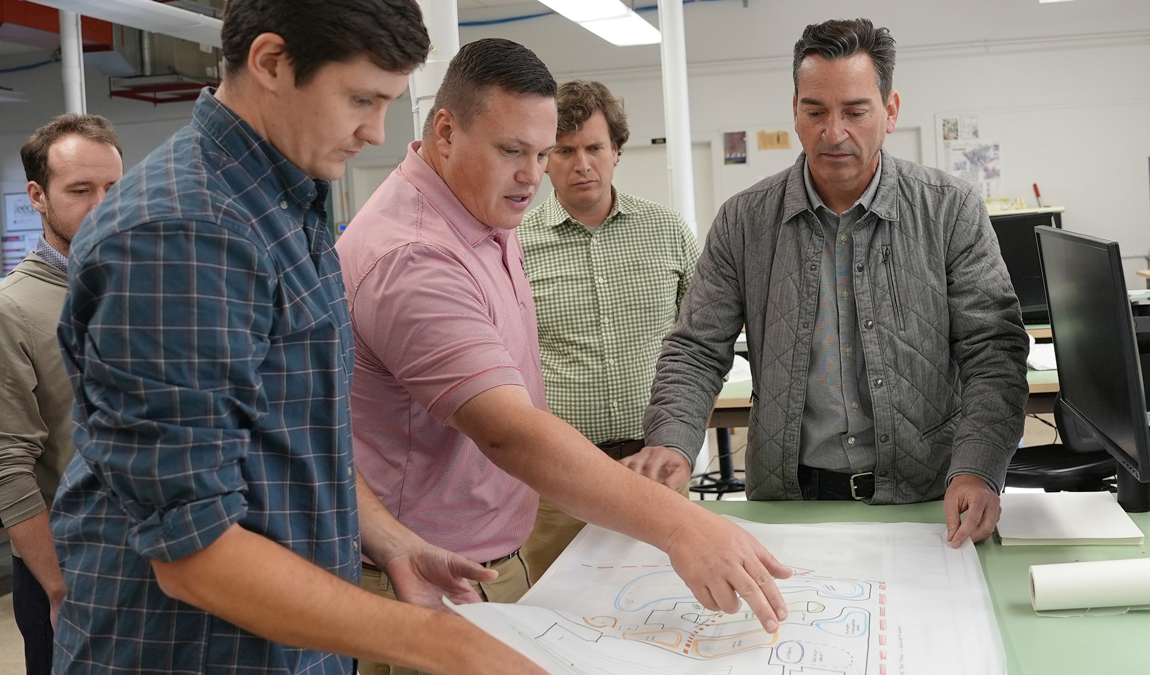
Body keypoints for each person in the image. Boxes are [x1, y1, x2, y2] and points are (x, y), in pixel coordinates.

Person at [48, 2, 545, 673]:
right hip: (191, 650)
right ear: (272, 63)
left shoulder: (286, 199)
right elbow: (193, 552)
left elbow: (297, 435)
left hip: (295, 642)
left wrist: (392, 541)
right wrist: (447, 643)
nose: (376, 132)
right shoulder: (182, 232)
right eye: (361, 100)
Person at [337, 38, 790, 675]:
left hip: (492, 550)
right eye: (512, 151)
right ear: (445, 131)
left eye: (540, 152)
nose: (533, 174)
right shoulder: (416, 256)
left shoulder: (485, 215)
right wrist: (683, 527)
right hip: (429, 580)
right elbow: (509, 434)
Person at [636, 18, 1028, 549]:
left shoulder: (948, 209)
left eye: (855, 111)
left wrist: (979, 467)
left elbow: (993, 351)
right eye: (815, 111)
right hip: (791, 501)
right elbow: (696, 350)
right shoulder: (744, 221)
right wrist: (673, 442)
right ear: (794, 111)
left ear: (890, 112)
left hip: (926, 500)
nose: (833, 131)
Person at [516, 80, 700, 579]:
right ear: (544, 159)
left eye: (595, 148)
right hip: (560, 478)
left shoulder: (667, 231)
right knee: (559, 615)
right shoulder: (513, 247)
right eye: (564, 150)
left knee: (662, 604)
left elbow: (703, 343)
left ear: (616, 150)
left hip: (655, 465)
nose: (582, 164)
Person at [0, 114, 123, 675]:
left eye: (113, 188)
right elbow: (7, 466)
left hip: (158, 564)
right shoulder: (4, 314)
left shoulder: (137, 288)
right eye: (80, 190)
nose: (102, 205)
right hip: (74, 574)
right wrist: (60, 589)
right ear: (37, 195)